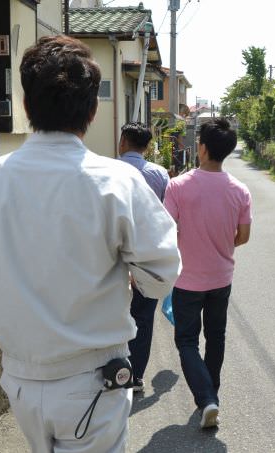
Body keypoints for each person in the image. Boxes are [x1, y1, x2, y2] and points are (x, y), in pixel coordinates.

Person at [0, 35, 180, 452]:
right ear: (92, 110)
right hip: (94, 380)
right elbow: (161, 276)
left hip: (20, 380)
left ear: (26, 105)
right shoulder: (117, 181)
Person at [163, 118, 252, 429]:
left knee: (187, 341)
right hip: (221, 277)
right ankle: (211, 392)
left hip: (187, 279)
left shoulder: (177, 187)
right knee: (216, 337)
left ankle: (206, 399)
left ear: (201, 148)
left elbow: (166, 231)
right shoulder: (240, 191)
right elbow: (243, 236)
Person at [118, 121, 170, 393]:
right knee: (143, 317)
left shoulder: (107, 171)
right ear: (148, 146)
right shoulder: (160, 174)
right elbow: (167, 217)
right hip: (147, 257)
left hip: (112, 257)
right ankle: (135, 375)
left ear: (123, 142)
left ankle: (113, 371)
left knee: (113, 314)